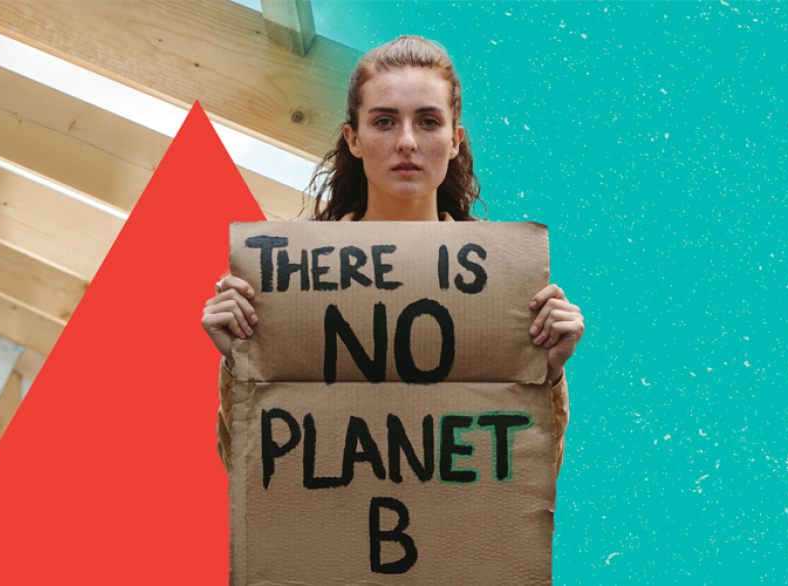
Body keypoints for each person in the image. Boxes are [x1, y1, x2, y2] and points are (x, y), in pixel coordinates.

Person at [202, 35, 584, 473]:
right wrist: (239, 364)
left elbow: (523, 481)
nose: (406, 141)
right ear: (354, 139)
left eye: (427, 122)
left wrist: (547, 374)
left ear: (455, 139)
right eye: (384, 122)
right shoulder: (287, 282)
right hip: (337, 538)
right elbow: (253, 476)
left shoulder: (504, 282)